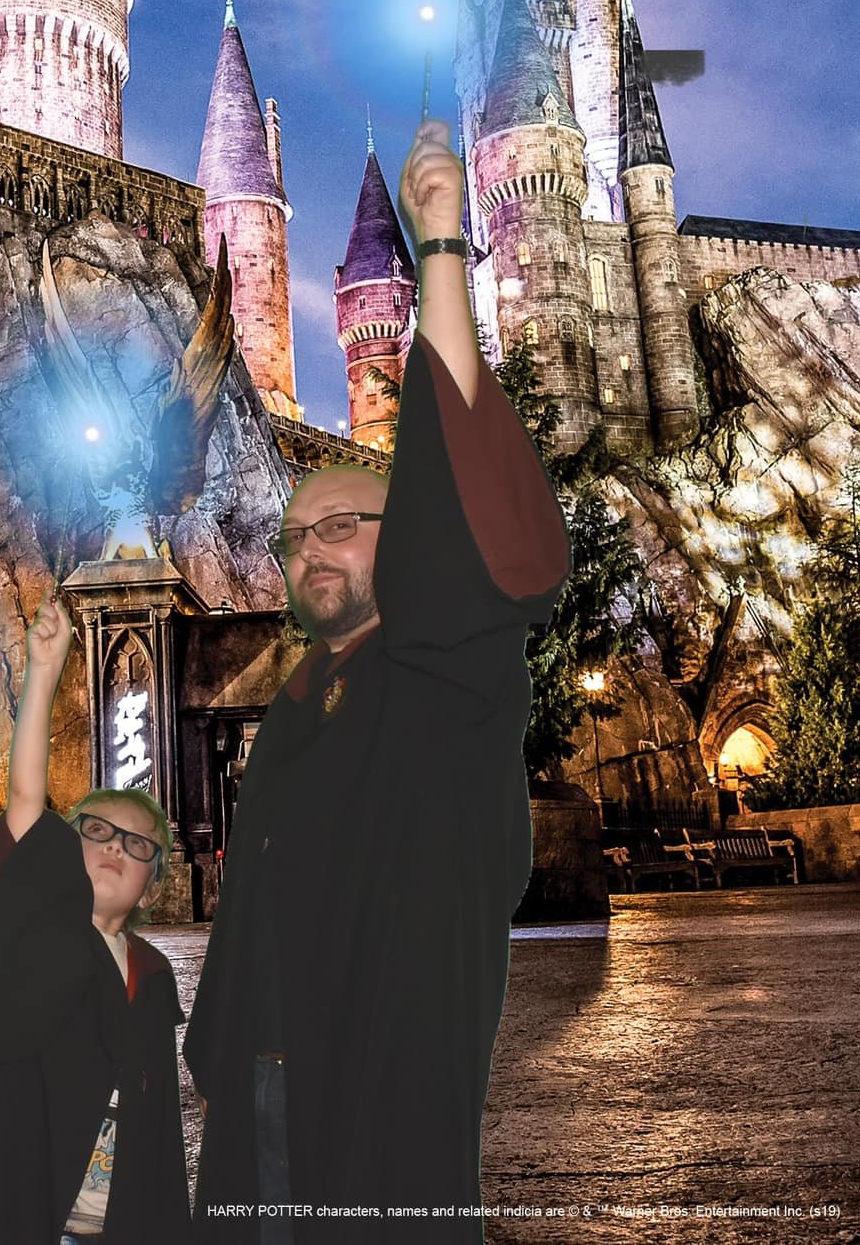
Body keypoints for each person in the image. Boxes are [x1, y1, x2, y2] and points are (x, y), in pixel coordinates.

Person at [184, 121, 571, 1241]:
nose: (311, 550)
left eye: (346, 526)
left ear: (404, 550)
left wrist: (441, 247)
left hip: (380, 1092)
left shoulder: (442, 677)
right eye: (297, 534)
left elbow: (455, 473)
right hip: (259, 1094)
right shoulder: (306, 698)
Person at [0, 589, 194, 1243]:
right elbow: (26, 797)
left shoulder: (154, 973)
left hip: (116, 1206)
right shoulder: (38, 926)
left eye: (137, 845)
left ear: (149, 888)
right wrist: (46, 670)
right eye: (97, 832)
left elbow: (160, 1110)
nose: (115, 847)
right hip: (21, 1190)